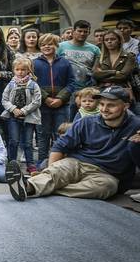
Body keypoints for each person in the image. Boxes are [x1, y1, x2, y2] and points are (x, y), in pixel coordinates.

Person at [7, 86, 140, 201]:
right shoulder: (86, 122)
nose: (104, 109)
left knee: (106, 188)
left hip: (107, 174)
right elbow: (59, 146)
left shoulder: (136, 125)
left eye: (111, 105)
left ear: (126, 106)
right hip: (77, 163)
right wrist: (51, 169)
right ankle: (27, 187)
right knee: (58, 170)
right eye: (102, 104)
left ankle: (49, 188)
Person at [33, 34, 75, 165]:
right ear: (40, 47)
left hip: (62, 105)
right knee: (43, 136)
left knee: (61, 134)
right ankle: (42, 163)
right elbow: (33, 83)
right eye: (43, 44)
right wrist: (45, 98)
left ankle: (60, 163)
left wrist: (61, 99)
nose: (47, 47)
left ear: (56, 46)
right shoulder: (35, 63)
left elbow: (72, 83)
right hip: (42, 105)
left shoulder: (65, 62)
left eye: (50, 44)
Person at [1, 58, 41, 173]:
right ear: (14, 70)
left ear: (28, 70)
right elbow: (4, 99)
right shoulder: (11, 84)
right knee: (13, 141)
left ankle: (30, 165)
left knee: (28, 143)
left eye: (23, 70)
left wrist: (24, 110)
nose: (20, 72)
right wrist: (13, 109)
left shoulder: (33, 85)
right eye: (17, 69)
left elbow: (37, 101)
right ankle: (12, 163)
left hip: (29, 118)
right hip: (13, 117)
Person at [57, 20, 100, 120]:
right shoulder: (61, 46)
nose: (82, 34)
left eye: (85, 31)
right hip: (66, 89)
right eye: (80, 31)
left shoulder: (95, 49)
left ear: (89, 32)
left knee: (87, 119)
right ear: (73, 31)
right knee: (69, 120)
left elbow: (95, 69)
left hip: (86, 89)